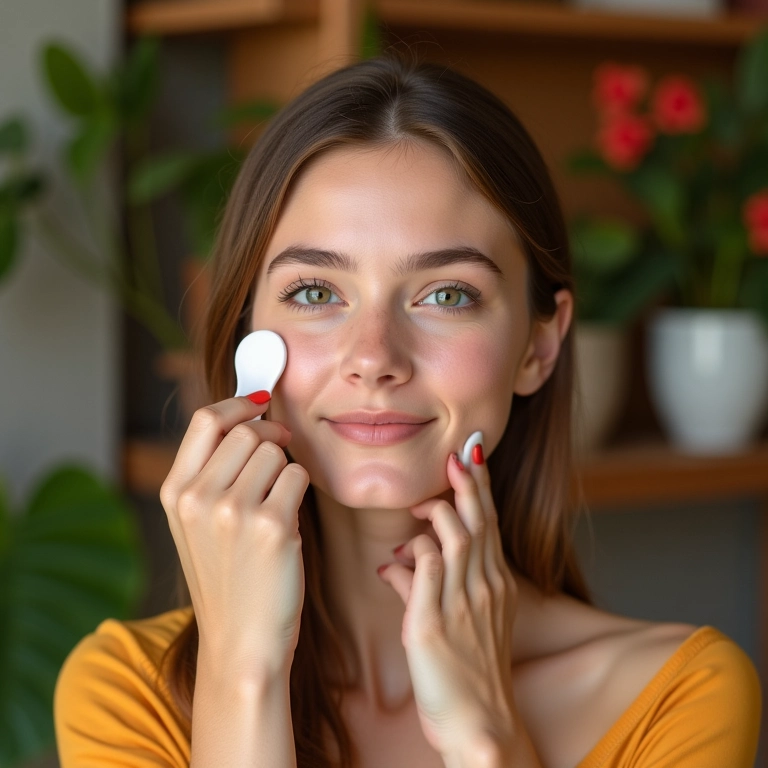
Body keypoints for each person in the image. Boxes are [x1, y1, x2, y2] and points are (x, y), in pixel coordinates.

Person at [54, 50, 761, 768]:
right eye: (315, 292)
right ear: (245, 333)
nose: (374, 356)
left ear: (537, 347)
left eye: (446, 294)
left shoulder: (678, 696)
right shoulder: (125, 693)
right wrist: (244, 675)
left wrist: (488, 740)